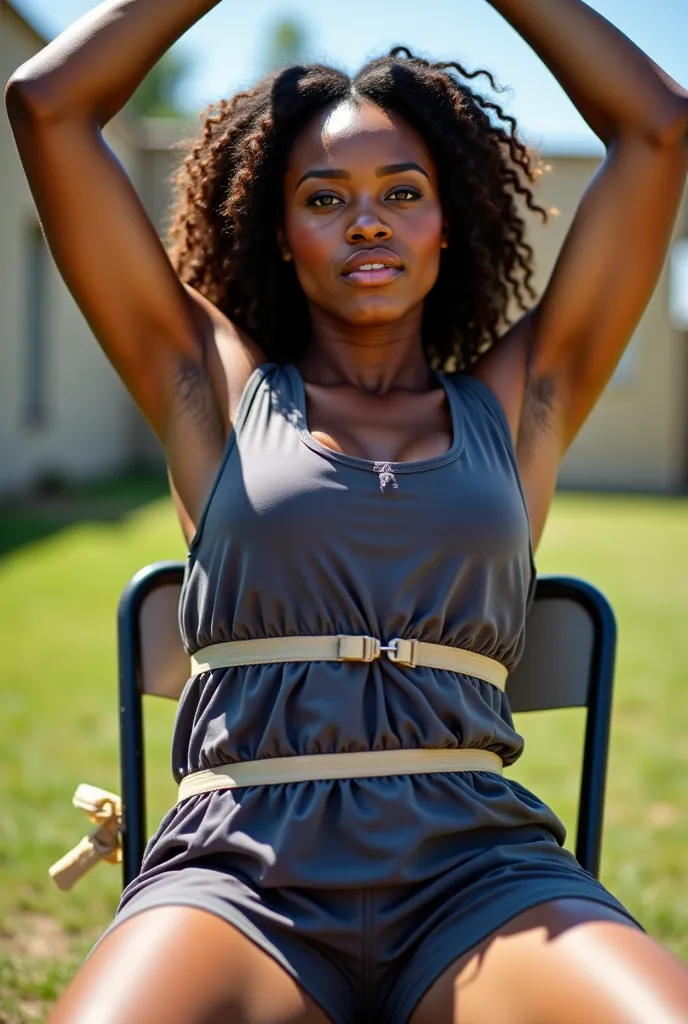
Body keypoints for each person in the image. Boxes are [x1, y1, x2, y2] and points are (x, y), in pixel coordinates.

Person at [6, 0, 688, 1020]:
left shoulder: (522, 402)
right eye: (323, 198)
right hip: (240, 876)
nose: (366, 220)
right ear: (279, 234)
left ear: (446, 221)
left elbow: (658, 129)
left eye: (400, 192)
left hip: (479, 876)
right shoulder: (214, 391)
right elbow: (46, 105)